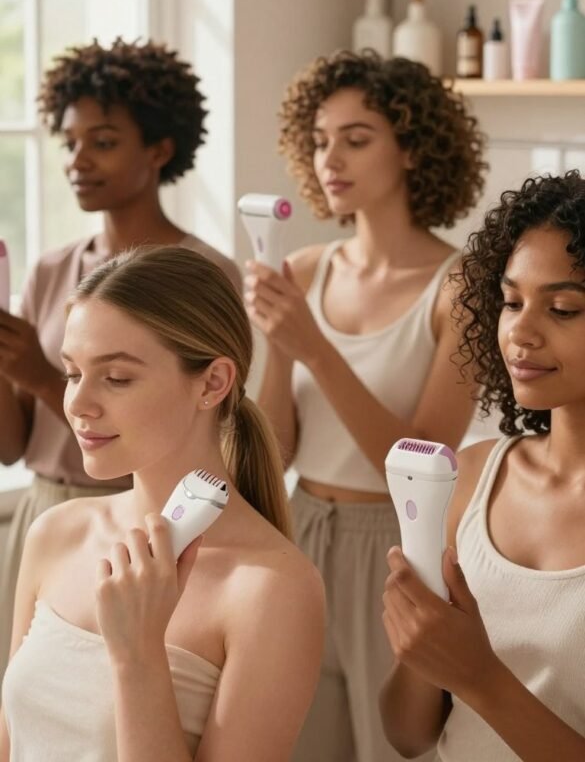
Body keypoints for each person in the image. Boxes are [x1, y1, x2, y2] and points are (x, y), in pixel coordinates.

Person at [244, 50, 486, 762]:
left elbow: (419, 465)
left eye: (356, 138)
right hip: (297, 528)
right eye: (319, 141)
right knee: (295, 744)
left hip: (397, 546)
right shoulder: (305, 270)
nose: (329, 159)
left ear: (411, 148)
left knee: (392, 749)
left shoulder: (460, 287)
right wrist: (282, 343)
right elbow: (276, 451)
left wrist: (313, 346)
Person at [0, 246, 325, 761]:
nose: (79, 404)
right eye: (71, 373)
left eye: (117, 378)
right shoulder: (57, 533)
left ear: (213, 383)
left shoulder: (273, 590)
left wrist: (138, 655)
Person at [0, 38, 241, 680]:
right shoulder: (52, 270)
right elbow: (10, 445)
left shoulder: (204, 276)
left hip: (158, 518)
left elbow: (202, 431)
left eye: (102, 142)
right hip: (47, 512)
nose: (78, 160)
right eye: (70, 142)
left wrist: (45, 377)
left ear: (160, 150)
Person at [380, 171, 585, 762]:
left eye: (564, 308)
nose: (520, 331)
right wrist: (421, 646)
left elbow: (476, 687)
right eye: (512, 301)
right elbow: (408, 735)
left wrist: (479, 677)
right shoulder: (469, 479)